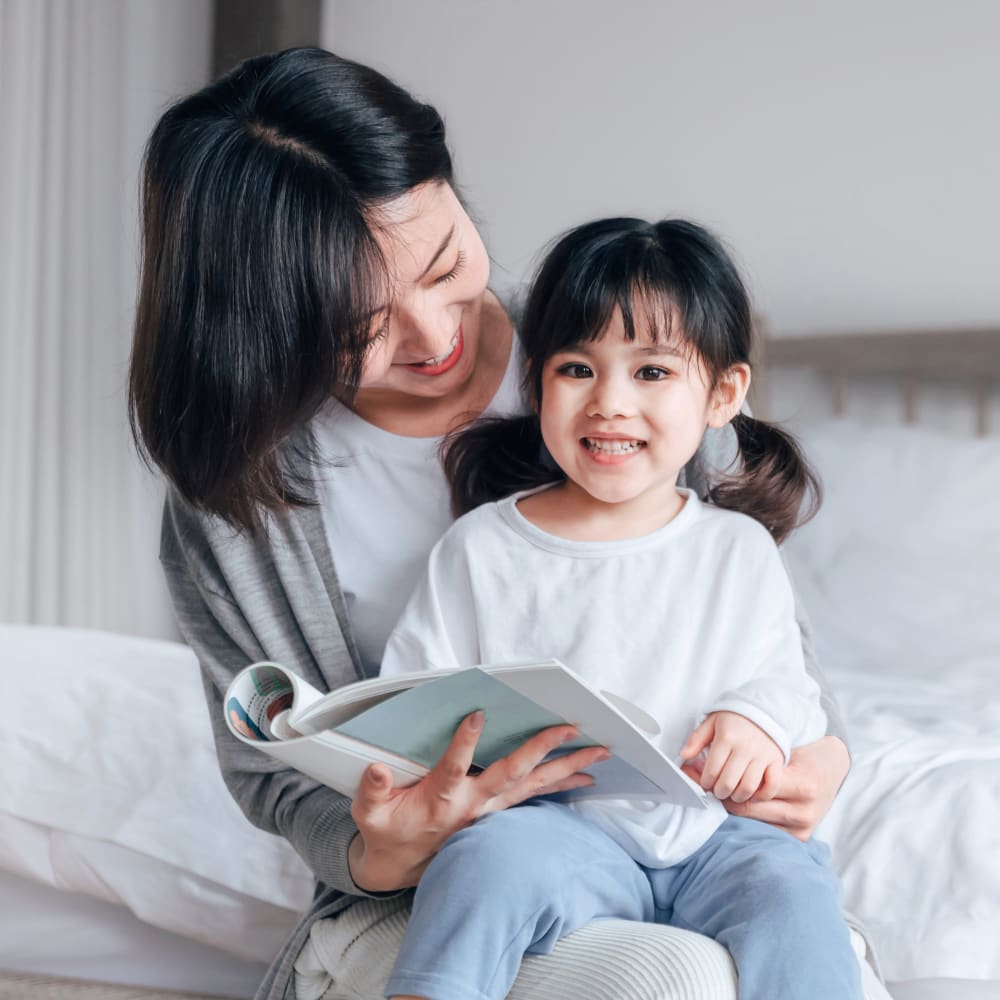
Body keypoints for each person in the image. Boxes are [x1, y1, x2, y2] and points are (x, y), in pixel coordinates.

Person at [127, 47, 862, 1000]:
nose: (436, 337)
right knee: (665, 980)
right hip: (452, 874)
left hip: (704, 837)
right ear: (263, 328)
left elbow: (763, 641)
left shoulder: (628, 363)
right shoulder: (240, 499)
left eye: (444, 265)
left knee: (779, 931)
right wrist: (381, 844)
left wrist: (818, 755)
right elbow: (273, 770)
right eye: (359, 329)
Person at [376, 216, 861, 1000]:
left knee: (793, 889)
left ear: (723, 394)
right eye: (577, 368)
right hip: (558, 830)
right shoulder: (482, 549)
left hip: (716, 835)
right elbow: (414, 697)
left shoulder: (736, 549)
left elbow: (786, 683)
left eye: (652, 373)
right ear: (536, 383)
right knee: (484, 862)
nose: (609, 403)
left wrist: (755, 721)